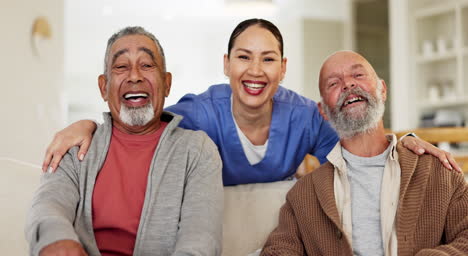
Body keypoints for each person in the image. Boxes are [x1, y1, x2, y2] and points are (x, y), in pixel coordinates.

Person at [41, 19, 460, 186]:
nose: (255, 71)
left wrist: (405, 140)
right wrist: (90, 125)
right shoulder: (202, 111)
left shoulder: (302, 116)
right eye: (243, 57)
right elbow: (140, 122)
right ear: (226, 64)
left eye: (267, 59)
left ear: (282, 68)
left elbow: (361, 143)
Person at [25, 26, 223, 256]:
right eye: (121, 67)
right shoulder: (75, 146)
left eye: (147, 65)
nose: (134, 76)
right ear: (103, 87)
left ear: (167, 83)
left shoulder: (198, 150)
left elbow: (200, 238)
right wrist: (56, 239)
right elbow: (49, 204)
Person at [259, 51, 468, 256]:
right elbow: (274, 255)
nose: (348, 84)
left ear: (382, 90)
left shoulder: (440, 170)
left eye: (358, 75)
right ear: (323, 111)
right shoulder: (304, 194)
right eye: (333, 83)